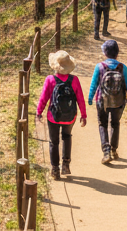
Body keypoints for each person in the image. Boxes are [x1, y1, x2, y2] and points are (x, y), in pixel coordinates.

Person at [34, 50, 87, 181]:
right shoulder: (74, 80)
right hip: (70, 117)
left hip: (53, 116)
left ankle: (55, 169)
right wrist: (83, 115)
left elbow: (44, 97)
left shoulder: (50, 79)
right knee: (67, 137)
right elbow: (80, 98)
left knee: (54, 142)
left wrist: (39, 112)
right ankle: (66, 164)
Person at [87, 39, 127, 164]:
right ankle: (113, 149)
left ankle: (106, 151)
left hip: (102, 101)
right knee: (115, 123)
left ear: (105, 53)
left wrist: (90, 98)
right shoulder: (123, 67)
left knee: (102, 124)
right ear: (117, 53)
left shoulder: (100, 66)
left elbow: (94, 84)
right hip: (118, 101)